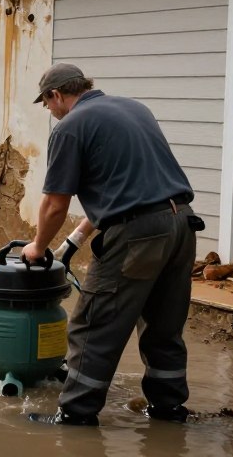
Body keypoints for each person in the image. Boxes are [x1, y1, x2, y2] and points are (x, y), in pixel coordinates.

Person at [22, 63, 202, 426]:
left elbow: (56, 204)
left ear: (56, 95)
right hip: (181, 224)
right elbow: (127, 183)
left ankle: (76, 414)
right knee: (162, 325)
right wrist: (77, 238)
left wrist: (38, 247)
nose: (50, 112)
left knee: (93, 324)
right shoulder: (134, 109)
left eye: (47, 104)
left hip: (138, 235)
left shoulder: (70, 128)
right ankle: (168, 409)